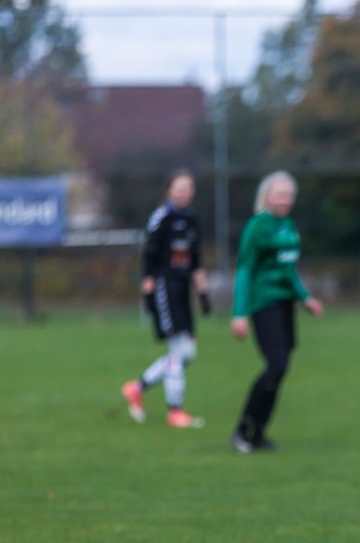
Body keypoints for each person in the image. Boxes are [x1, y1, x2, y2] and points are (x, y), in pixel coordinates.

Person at [229, 170, 324, 453]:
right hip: (264, 304)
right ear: (266, 196)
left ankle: (257, 434)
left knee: (280, 371)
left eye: (289, 195)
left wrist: (305, 298)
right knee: (276, 366)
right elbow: (245, 269)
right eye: (279, 194)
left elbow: (288, 270)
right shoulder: (257, 227)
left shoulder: (289, 226)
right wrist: (239, 313)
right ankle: (242, 430)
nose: (285, 200)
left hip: (285, 305)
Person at [120, 169, 210, 429]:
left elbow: (196, 261)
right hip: (164, 287)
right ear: (169, 191)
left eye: (189, 187)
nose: (185, 192)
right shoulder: (161, 218)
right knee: (178, 351)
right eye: (180, 187)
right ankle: (175, 411)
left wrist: (202, 292)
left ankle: (137, 388)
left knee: (187, 352)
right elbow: (149, 257)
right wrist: (148, 291)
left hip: (183, 289)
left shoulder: (192, 220)